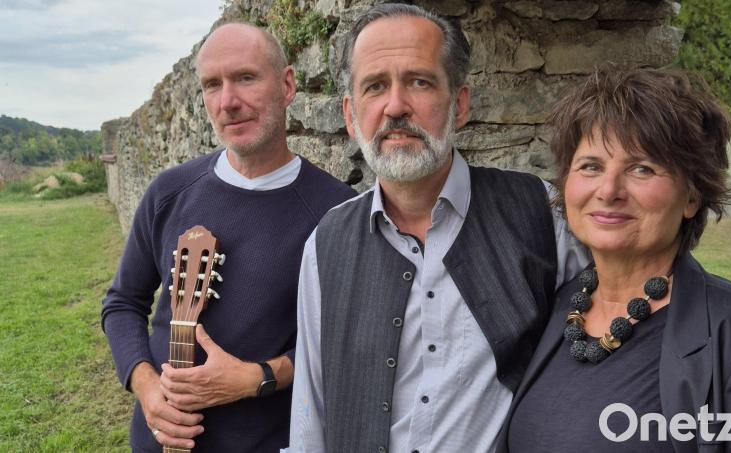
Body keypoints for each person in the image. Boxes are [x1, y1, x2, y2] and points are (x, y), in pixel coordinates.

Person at [287, 4, 589, 452]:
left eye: (419, 82)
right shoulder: (326, 244)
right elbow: (311, 408)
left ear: (460, 104)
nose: (395, 107)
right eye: (375, 87)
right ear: (351, 116)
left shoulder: (542, 213)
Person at [497, 65, 731, 452]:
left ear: (692, 196)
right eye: (590, 166)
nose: (608, 190)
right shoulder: (556, 306)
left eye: (641, 168)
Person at [101, 23, 355, 452]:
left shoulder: (337, 213)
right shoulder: (168, 192)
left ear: (288, 84)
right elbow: (124, 301)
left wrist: (257, 378)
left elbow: (342, 341)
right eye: (211, 85)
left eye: (246, 78)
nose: (228, 102)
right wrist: (146, 387)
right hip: (158, 440)